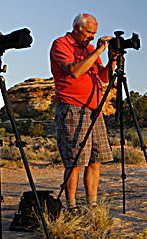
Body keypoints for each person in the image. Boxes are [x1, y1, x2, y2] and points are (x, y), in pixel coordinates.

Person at [50, 13, 116, 212]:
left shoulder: (88, 49)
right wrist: (97, 52)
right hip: (72, 108)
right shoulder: (61, 44)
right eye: (89, 32)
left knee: (95, 160)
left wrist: (111, 59)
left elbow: (104, 78)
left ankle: (92, 204)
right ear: (77, 27)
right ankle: (72, 206)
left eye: (94, 33)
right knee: (75, 161)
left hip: (94, 109)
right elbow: (75, 71)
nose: (92, 37)